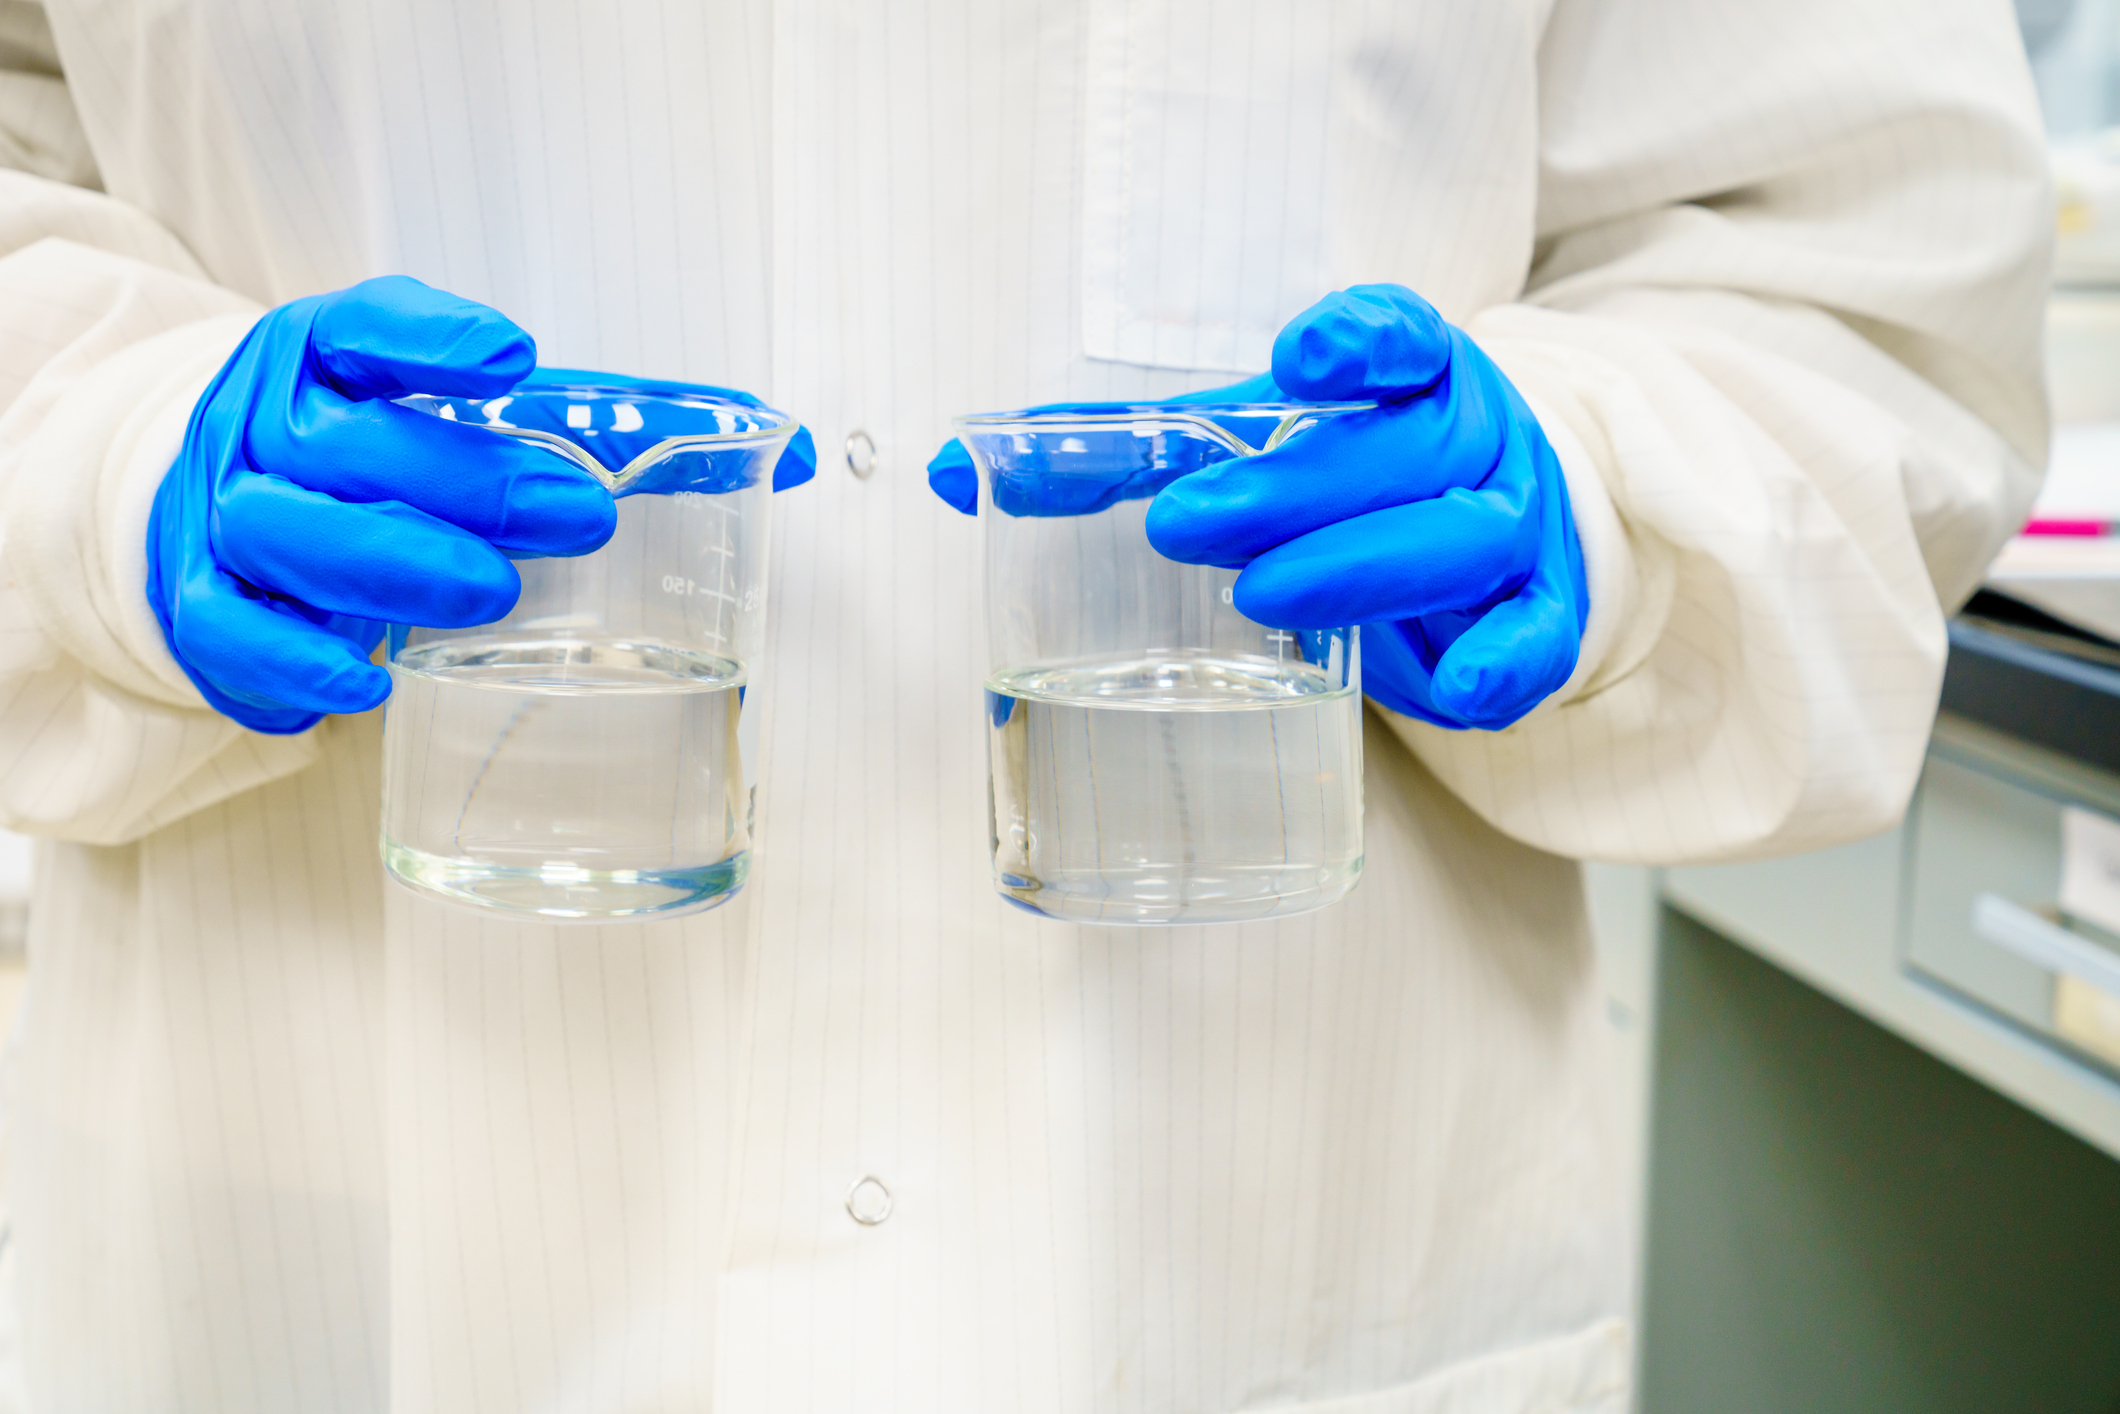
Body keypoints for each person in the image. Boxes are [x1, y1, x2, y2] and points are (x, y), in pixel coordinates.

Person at [0, 0, 2049, 1410]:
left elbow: (1856, 285)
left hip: (1260, 1245)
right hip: (321, 1253)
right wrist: (109, 480)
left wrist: (1593, 491)